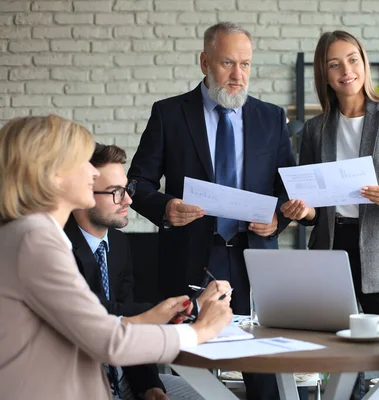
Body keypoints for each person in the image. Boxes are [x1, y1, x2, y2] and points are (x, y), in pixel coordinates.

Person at [0, 115, 233, 400]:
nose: (93, 173)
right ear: (51, 174)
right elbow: (108, 341)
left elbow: (96, 328)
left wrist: (153, 318)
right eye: (83, 162)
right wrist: (199, 331)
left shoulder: (29, 234)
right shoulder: (35, 240)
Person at [127, 22, 299, 400]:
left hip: (254, 258)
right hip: (189, 256)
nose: (238, 75)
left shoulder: (271, 118)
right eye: (227, 63)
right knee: (187, 369)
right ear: (204, 61)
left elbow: (287, 188)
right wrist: (166, 207)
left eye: (246, 64)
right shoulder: (169, 113)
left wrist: (278, 219)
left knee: (262, 371)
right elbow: (137, 183)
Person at [280, 30, 379, 399]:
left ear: (363, 63)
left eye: (352, 60)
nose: (346, 70)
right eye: (334, 64)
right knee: (341, 356)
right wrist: (305, 211)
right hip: (334, 247)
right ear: (325, 75)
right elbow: (313, 206)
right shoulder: (316, 129)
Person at [65, 143, 206, 400]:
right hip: (80, 382)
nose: (128, 200)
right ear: (82, 193)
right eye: (115, 192)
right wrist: (163, 311)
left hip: (123, 376)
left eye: (127, 189)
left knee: (197, 396)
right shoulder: (57, 246)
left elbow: (130, 328)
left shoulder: (118, 244)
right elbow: (100, 315)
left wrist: (149, 387)